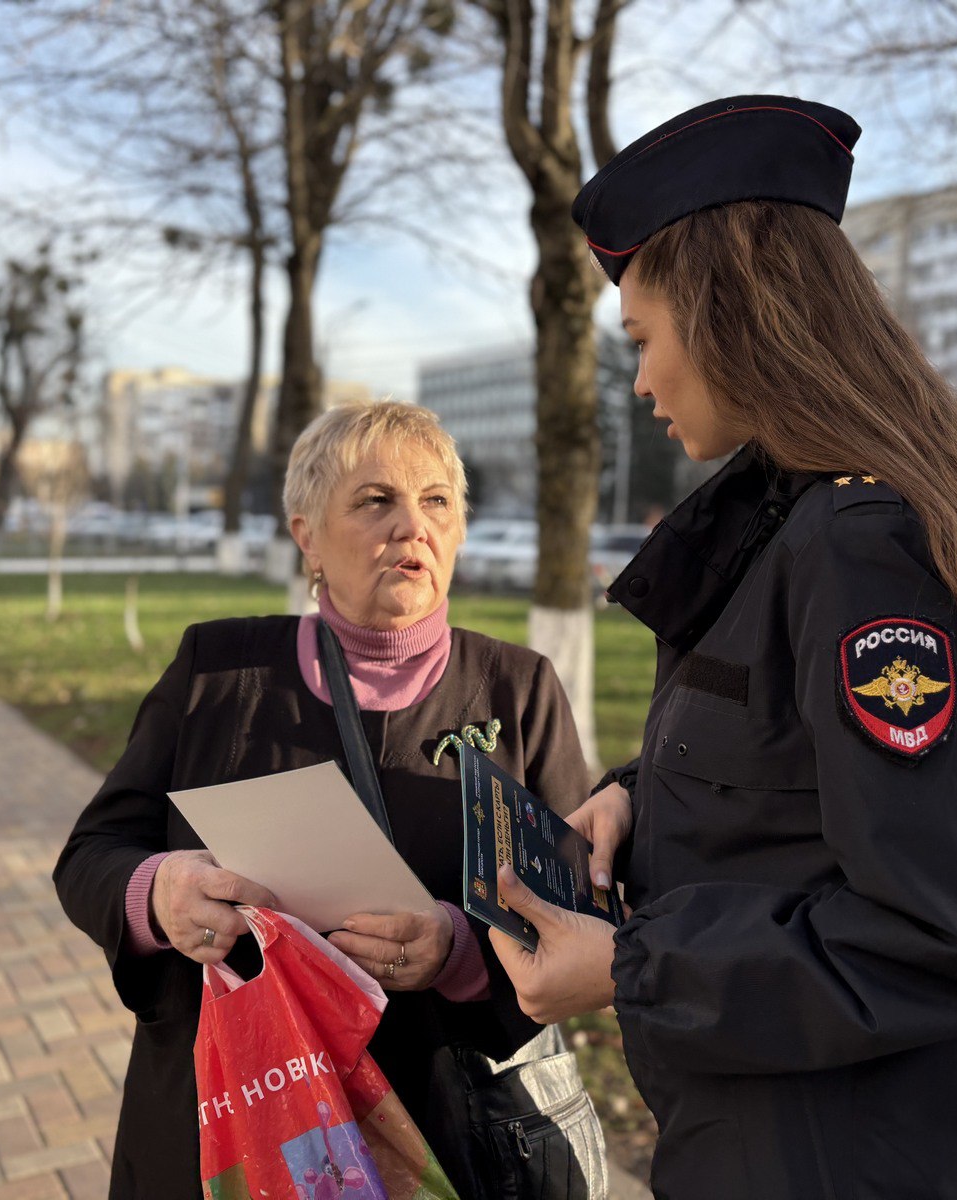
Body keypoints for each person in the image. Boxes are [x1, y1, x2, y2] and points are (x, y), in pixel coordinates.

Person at [486, 96, 957, 1200]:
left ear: (729, 319)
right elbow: (791, 774)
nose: (641, 383)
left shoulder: (863, 549)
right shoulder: (788, 522)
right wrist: (634, 800)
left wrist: (634, 965)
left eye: (644, 340)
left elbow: (952, 930)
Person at [54, 401, 603, 1199]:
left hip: (437, 1131)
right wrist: (159, 894)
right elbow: (90, 858)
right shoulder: (216, 671)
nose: (413, 526)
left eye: (437, 500)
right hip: (227, 1121)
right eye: (376, 500)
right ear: (306, 535)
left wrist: (455, 950)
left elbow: (578, 920)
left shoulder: (519, 692)